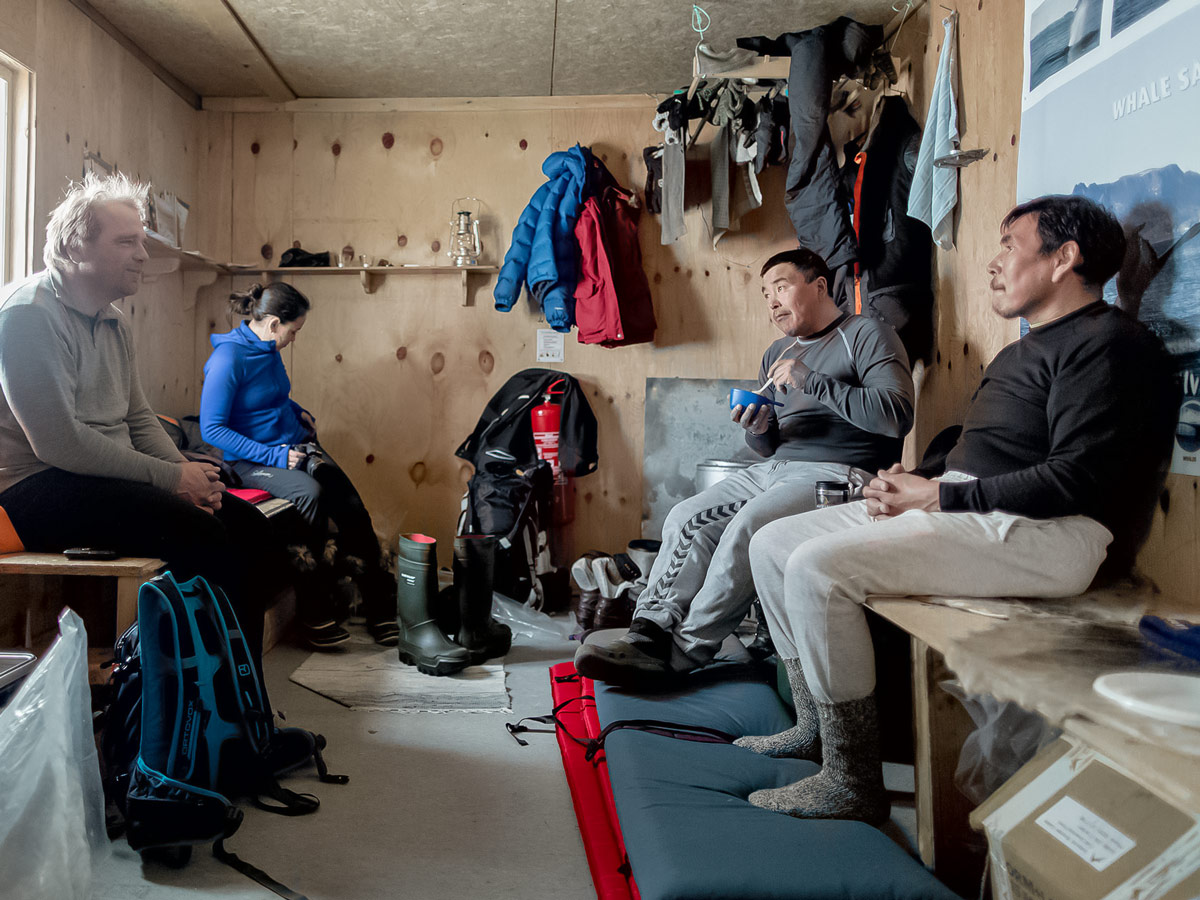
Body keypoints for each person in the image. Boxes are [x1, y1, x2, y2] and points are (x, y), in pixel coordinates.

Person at [737, 195, 1179, 825]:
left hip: (1049, 534)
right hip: (977, 512)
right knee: (771, 544)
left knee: (815, 568)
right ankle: (814, 726)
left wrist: (941, 495)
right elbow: (984, 456)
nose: (993, 263)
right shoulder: (1023, 351)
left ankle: (852, 778)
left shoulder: (1108, 345)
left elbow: (1076, 480)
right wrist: (914, 480)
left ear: (1065, 259)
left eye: (1009, 245)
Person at [575, 247, 914, 686]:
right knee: (685, 516)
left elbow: (896, 415)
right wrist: (758, 427)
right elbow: (765, 447)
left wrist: (811, 379)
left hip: (843, 474)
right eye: (765, 293)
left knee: (748, 526)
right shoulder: (778, 351)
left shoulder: (866, 334)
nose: (772, 301)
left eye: (782, 287)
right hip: (776, 469)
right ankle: (649, 632)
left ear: (820, 286)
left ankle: (682, 653)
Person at [0, 173, 268, 657]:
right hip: (31, 488)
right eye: (127, 242)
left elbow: (139, 418)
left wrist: (189, 478)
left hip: (96, 479)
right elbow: (58, 443)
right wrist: (171, 480)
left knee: (250, 527)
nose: (143, 256)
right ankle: (191, 704)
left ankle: (241, 706)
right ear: (74, 249)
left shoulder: (113, 320)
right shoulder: (28, 315)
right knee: (205, 536)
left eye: (141, 241)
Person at [200, 282, 398, 649]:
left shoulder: (268, 350)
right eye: (294, 331)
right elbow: (213, 428)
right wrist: (275, 456)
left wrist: (296, 411)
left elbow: (272, 399)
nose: (294, 339)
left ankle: (381, 605)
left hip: (296, 445)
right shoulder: (228, 359)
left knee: (350, 505)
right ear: (274, 324)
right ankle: (315, 610)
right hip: (250, 460)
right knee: (310, 494)